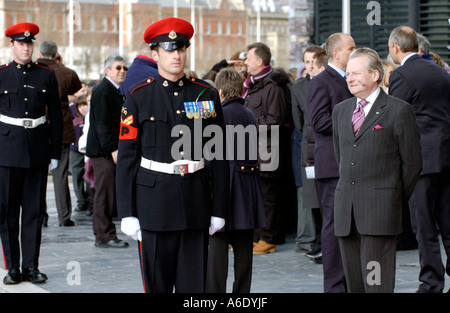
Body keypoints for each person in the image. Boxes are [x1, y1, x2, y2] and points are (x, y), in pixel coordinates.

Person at [116, 17, 229, 293]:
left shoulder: (205, 94)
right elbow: (127, 158)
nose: (176, 55)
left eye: (181, 49)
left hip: (195, 202)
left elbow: (219, 156)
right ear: (155, 54)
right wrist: (127, 213)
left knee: (195, 289)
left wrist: (219, 209)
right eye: (169, 50)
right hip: (153, 206)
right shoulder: (138, 96)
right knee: (158, 285)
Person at [332, 47, 423, 292]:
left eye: (356, 73)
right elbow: (342, 157)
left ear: (375, 75)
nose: (349, 78)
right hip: (346, 213)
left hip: (379, 212)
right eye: (348, 73)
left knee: (377, 284)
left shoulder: (399, 110)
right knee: (355, 285)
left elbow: (412, 164)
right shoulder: (340, 111)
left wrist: (390, 197)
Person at [388, 25, 450, 293]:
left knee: (424, 226)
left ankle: (431, 283)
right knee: (448, 224)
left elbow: (395, 118)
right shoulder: (440, 72)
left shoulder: (402, 74)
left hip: (422, 162)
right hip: (446, 157)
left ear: (395, 48)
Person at [0, 22, 63, 284]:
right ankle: (12, 268)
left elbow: (56, 118)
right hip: (6, 152)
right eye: (21, 43)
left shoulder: (46, 75)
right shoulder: (1, 75)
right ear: (12, 45)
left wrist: (55, 152)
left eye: (29, 43)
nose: (26, 47)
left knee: (34, 213)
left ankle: (31, 267)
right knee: (7, 212)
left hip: (36, 150)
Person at [205, 68, 265, 293]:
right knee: (243, 252)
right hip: (246, 187)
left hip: (225, 187)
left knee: (218, 249)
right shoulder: (248, 113)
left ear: (219, 91)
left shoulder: (218, 114)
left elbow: (211, 155)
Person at [307, 32, 355, 293]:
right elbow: (318, 121)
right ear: (336, 53)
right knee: (334, 226)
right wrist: (355, 121)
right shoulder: (321, 81)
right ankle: (335, 286)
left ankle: (348, 282)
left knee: (349, 226)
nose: (355, 52)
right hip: (332, 166)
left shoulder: (351, 80)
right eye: (351, 48)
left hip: (349, 164)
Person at [242, 42, 289, 254]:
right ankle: (257, 237)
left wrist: (248, 123)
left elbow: (275, 119)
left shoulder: (273, 87)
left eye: (248, 59)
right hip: (254, 150)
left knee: (268, 197)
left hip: (268, 150)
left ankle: (268, 238)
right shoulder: (253, 85)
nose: (245, 62)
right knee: (256, 196)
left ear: (259, 62)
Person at [37, 40, 82, 227]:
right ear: (57, 54)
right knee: (61, 174)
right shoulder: (67, 73)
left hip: (38, 127)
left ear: (40, 54)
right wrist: (60, 64)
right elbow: (75, 88)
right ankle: (64, 217)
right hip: (61, 126)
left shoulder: (34, 71)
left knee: (38, 175)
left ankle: (41, 217)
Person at [86, 54, 129, 249]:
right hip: (104, 151)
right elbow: (103, 124)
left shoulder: (115, 90)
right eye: (118, 68)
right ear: (108, 70)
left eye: (124, 68)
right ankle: (103, 235)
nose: (122, 71)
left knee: (108, 193)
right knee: (104, 194)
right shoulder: (104, 91)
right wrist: (112, 149)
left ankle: (106, 233)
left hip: (108, 149)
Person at [291, 45, 327, 257]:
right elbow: (299, 123)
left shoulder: (332, 83)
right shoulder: (297, 89)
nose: (310, 66)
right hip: (309, 149)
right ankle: (315, 241)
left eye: (314, 61)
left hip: (329, 146)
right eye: (307, 62)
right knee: (312, 197)